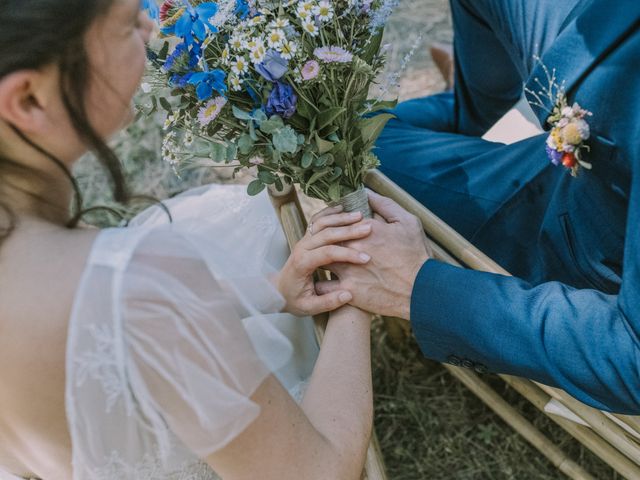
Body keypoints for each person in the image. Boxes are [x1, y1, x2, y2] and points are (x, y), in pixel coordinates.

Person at [0, 1, 377, 479]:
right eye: (124, 25)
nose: (150, 25)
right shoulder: (141, 283)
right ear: (30, 99)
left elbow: (97, 340)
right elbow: (317, 472)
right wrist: (354, 295)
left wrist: (273, 291)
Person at [318, 0, 640, 414]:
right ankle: (474, 113)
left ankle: (470, 128)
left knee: (351, 143)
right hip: (616, 35)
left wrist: (418, 288)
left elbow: (631, 356)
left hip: (573, 221)